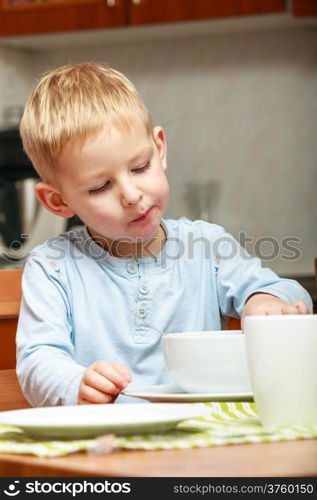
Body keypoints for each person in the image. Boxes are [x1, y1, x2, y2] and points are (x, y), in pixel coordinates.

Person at [16, 62, 312, 407]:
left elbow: (286, 291)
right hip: (107, 442)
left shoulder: (207, 246)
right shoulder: (53, 266)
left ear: (159, 149)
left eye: (140, 167)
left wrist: (263, 299)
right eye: (100, 187)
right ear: (58, 201)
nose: (131, 195)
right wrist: (75, 383)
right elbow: (38, 360)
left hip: (202, 432)